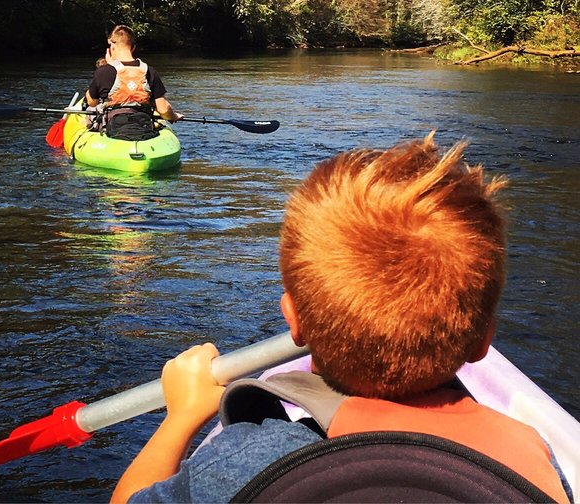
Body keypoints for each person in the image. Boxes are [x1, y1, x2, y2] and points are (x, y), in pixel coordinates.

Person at [111, 135, 570, 504]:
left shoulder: (248, 459)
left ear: (293, 320)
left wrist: (181, 417)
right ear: (483, 341)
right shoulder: (531, 453)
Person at [85, 25, 179, 139]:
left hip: (114, 130)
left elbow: (91, 102)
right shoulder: (149, 71)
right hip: (144, 129)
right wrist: (173, 116)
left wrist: (108, 65)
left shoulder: (103, 72)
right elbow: (163, 110)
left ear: (112, 46)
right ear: (133, 47)